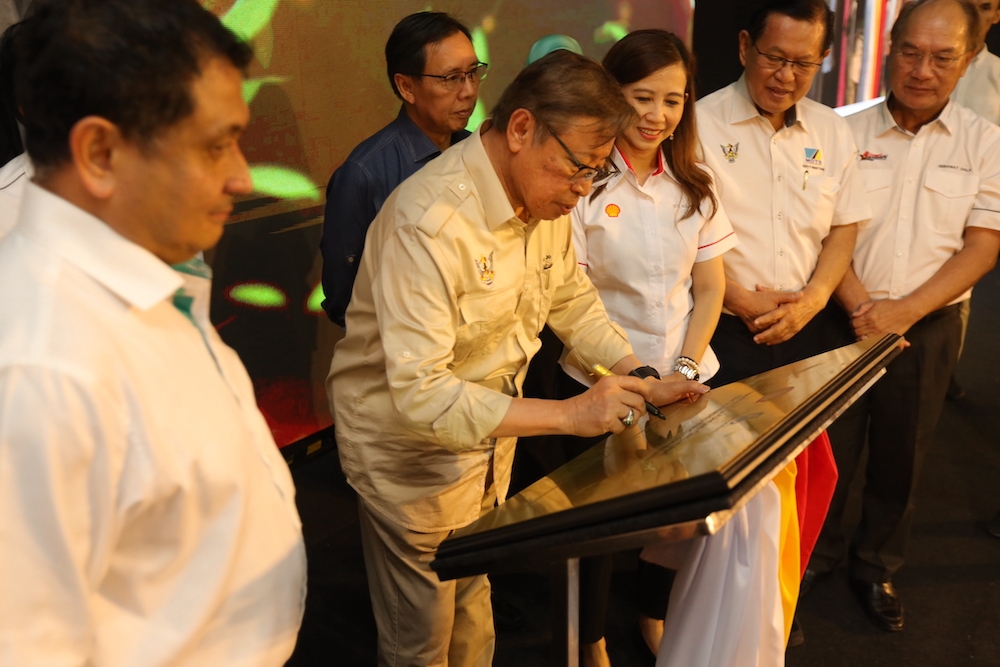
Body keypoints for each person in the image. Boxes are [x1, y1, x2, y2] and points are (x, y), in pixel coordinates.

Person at [327, 49, 708, 667]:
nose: (582, 191)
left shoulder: (541, 198)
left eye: (595, 174)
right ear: (523, 128)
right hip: (411, 460)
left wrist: (639, 376)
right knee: (421, 638)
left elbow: (571, 299)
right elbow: (423, 394)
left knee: (473, 600)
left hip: (487, 448)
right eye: (578, 168)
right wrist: (570, 416)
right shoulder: (428, 224)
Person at [0, 1, 306, 665]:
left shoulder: (150, 273)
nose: (243, 176)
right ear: (100, 153)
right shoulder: (42, 368)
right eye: (215, 145)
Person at [809, 0, 1000, 632]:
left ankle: (876, 565)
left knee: (904, 453)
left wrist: (905, 312)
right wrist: (863, 308)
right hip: (841, 313)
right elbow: (822, 230)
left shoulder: (986, 142)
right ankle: (815, 556)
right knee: (829, 447)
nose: (923, 70)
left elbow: (982, 246)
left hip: (930, 326)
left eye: (943, 58)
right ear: (889, 50)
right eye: (911, 53)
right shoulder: (840, 129)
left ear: (968, 61)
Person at [695, 0, 872, 646]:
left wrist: (816, 297)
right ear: (745, 46)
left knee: (792, 479)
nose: (786, 75)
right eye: (774, 58)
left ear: (823, 59)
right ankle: (693, 613)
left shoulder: (832, 130)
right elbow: (680, 227)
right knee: (718, 481)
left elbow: (844, 226)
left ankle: (767, 608)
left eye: (803, 63)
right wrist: (737, 298)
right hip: (722, 330)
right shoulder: (698, 123)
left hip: (804, 330)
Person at [559, 29, 736, 666]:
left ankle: (653, 612)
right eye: (642, 97)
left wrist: (683, 368)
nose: (658, 115)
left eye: (673, 100)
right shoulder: (582, 184)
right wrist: (637, 378)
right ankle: (589, 638)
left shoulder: (695, 183)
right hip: (601, 382)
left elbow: (710, 287)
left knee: (679, 516)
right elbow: (571, 301)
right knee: (600, 523)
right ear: (611, 93)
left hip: (687, 379)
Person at [319, 11, 482, 328]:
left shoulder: (477, 152)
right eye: (451, 78)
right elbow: (343, 297)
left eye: (473, 73)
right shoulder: (364, 173)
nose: (468, 91)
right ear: (406, 86)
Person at [952, 0, 1000, 124]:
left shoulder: (997, 72)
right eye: (967, 6)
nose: (975, 15)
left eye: (985, 8)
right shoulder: (925, 65)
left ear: (996, 16)